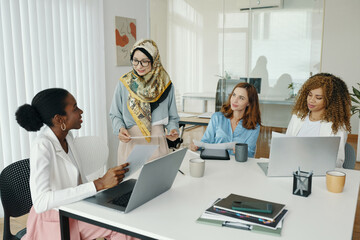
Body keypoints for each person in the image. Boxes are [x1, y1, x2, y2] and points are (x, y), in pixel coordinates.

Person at [16, 88, 136, 240]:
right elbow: (41, 202)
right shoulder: (42, 146)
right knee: (124, 230)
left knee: (127, 219)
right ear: (59, 119)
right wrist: (99, 184)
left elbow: (77, 181)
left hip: (76, 208)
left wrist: (105, 188)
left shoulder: (68, 136)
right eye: (75, 108)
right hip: (54, 219)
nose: (81, 111)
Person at [110, 39, 180, 165]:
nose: (139, 66)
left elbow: (173, 118)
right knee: (130, 183)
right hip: (131, 144)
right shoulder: (124, 84)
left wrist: (173, 130)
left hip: (158, 145)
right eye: (135, 61)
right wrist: (120, 129)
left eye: (144, 62)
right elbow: (115, 114)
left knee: (158, 183)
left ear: (154, 61)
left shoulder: (165, 85)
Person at [286, 73, 352, 168]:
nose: (311, 100)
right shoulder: (297, 117)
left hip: (320, 172)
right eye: (310, 95)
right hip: (293, 167)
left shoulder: (337, 125)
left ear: (330, 100)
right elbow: (286, 145)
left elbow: (337, 161)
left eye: (318, 98)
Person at [190, 82, 261, 157]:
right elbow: (205, 143)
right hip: (216, 161)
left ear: (249, 103)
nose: (235, 100)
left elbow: (250, 154)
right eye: (234, 95)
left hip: (238, 165)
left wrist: (240, 151)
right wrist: (196, 147)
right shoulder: (217, 118)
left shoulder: (254, 126)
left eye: (241, 98)